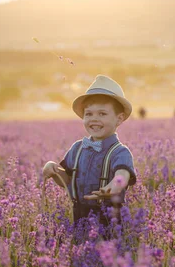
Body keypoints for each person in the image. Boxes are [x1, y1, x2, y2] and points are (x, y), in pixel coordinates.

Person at [42, 75, 136, 231]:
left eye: (102, 114)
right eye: (89, 114)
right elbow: (67, 181)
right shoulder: (77, 148)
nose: (94, 119)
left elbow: (122, 175)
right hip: (79, 215)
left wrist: (113, 187)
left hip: (109, 218)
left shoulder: (120, 152)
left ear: (119, 119)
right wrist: (53, 169)